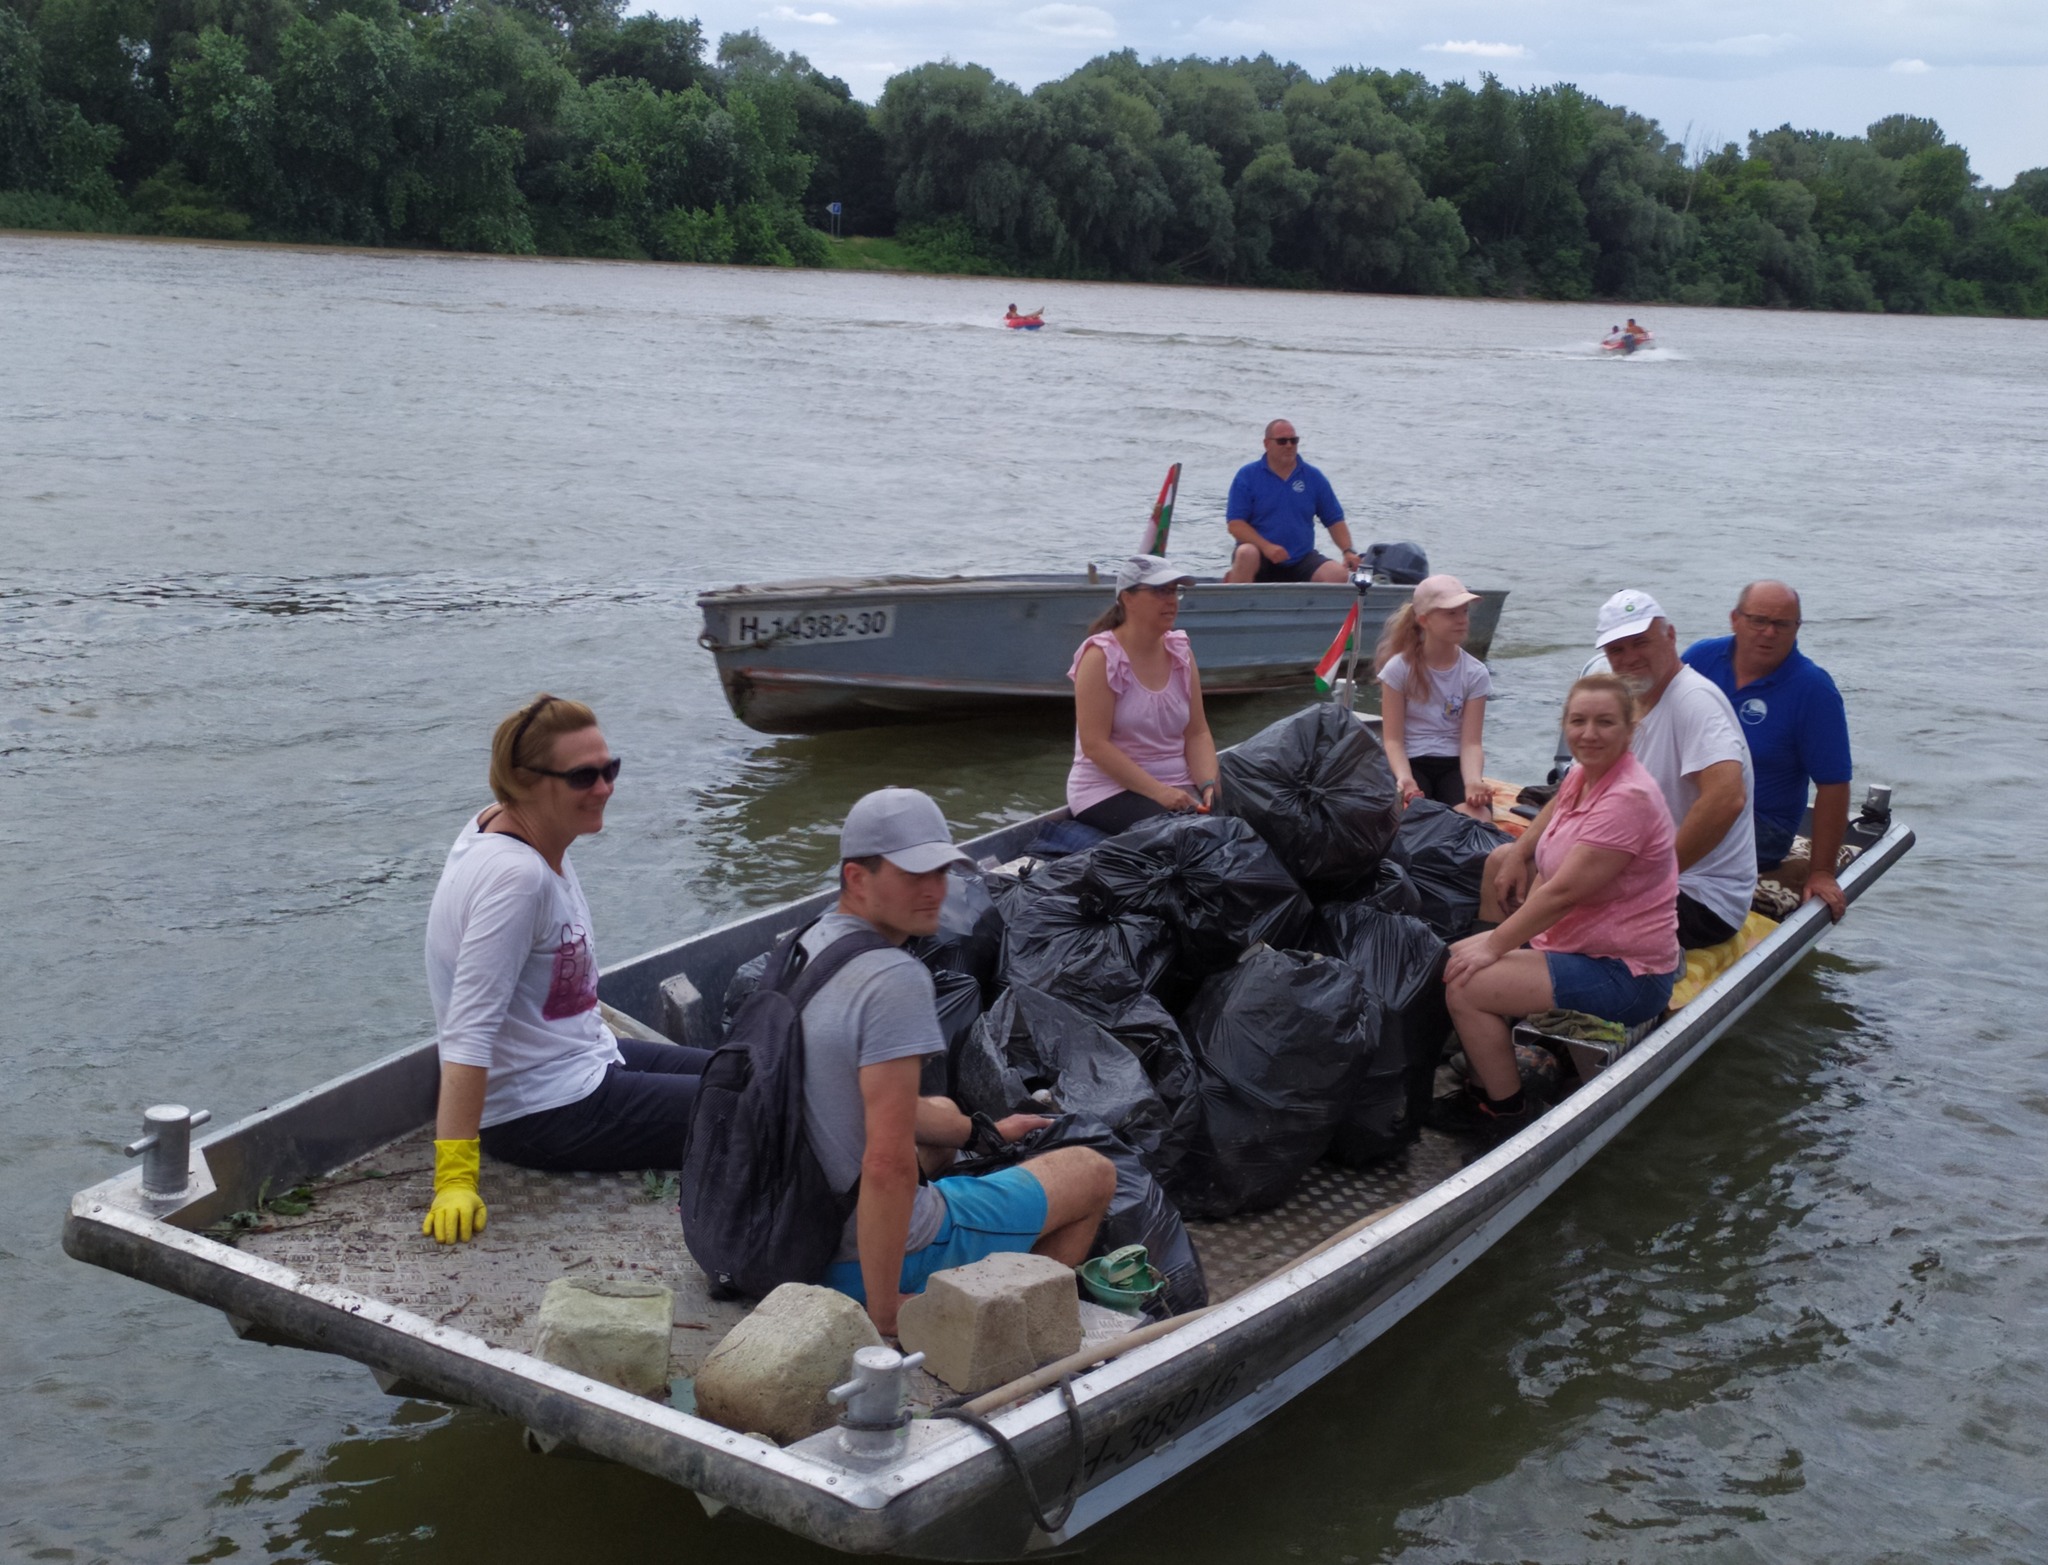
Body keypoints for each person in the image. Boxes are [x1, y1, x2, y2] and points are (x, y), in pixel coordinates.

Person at [807, 789, 1116, 1335]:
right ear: (857, 878)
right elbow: (886, 1165)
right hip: (854, 1264)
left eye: (942, 871)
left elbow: (856, 1096)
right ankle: (1002, 1332)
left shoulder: (804, 948)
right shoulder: (893, 979)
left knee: (944, 1112)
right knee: (1092, 1173)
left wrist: (980, 1133)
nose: (935, 891)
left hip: (793, 1222)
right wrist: (884, 1313)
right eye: (912, 875)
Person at [421, 694, 713, 1245]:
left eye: (610, 769)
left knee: (752, 1071)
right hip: (543, 1112)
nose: (604, 788)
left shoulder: (522, 830)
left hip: (588, 1058)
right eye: (583, 777)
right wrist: (454, 1177)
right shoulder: (515, 879)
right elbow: (467, 1031)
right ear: (522, 781)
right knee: (765, 1112)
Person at [1440, 674, 1680, 1141]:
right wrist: (1519, 852)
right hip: (1581, 945)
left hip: (1626, 973)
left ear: (1630, 731)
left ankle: (1504, 1114)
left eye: (1605, 722)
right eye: (1579, 721)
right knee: (1453, 959)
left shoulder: (1628, 798)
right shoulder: (1585, 775)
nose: (1589, 733)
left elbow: (1563, 893)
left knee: (1466, 985)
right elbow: (1554, 808)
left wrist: (1495, 946)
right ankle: (1481, 1079)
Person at [1488, 591, 1756, 951]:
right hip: (1633, 866)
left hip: (1700, 896)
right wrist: (1522, 852)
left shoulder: (1694, 700)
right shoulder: (1630, 705)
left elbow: (1727, 798)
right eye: (1617, 650)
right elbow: (1572, 789)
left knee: (1560, 900)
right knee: (1501, 862)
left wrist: (1656, 879)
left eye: (1640, 643)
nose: (1629, 658)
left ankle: (1512, 971)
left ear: (1671, 636)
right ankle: (1490, 966)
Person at [1683, 581, 1852, 920]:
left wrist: (1821, 872)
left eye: (1782, 624)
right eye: (1758, 620)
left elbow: (1834, 786)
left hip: (1763, 824)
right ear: (1735, 619)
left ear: (1797, 628)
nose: (1769, 632)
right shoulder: (1701, 658)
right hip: (1687, 799)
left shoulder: (1813, 690)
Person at [1066, 554, 1220, 834]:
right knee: (1194, 838)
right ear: (1128, 598)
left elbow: (1196, 733)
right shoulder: (1101, 656)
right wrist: (1160, 793)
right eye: (1160, 591)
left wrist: (1209, 784)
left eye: (1174, 591)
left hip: (1178, 787)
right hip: (1107, 790)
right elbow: (1095, 744)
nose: (1171, 600)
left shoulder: (1180, 652)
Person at [1375, 574, 1493, 818]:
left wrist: (1472, 781)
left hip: (1454, 763)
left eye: (1464, 612)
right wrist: (1405, 778)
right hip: (1411, 760)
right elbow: (1393, 740)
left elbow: (1471, 743)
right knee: (1410, 819)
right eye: (1451, 613)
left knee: (1477, 820)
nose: (1462, 620)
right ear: (1424, 620)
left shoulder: (1475, 672)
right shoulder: (1398, 669)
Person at [1222, 419, 1359, 583]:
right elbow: (1235, 525)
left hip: (1300, 558)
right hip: (1260, 556)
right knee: (1246, 553)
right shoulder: (1247, 476)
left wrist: (1348, 551)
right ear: (1267, 444)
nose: (1289, 445)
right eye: (1282, 441)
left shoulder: (1313, 477)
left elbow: (1334, 520)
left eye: (1293, 440)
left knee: (1336, 574)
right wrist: (1267, 547)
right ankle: (1237, 601)